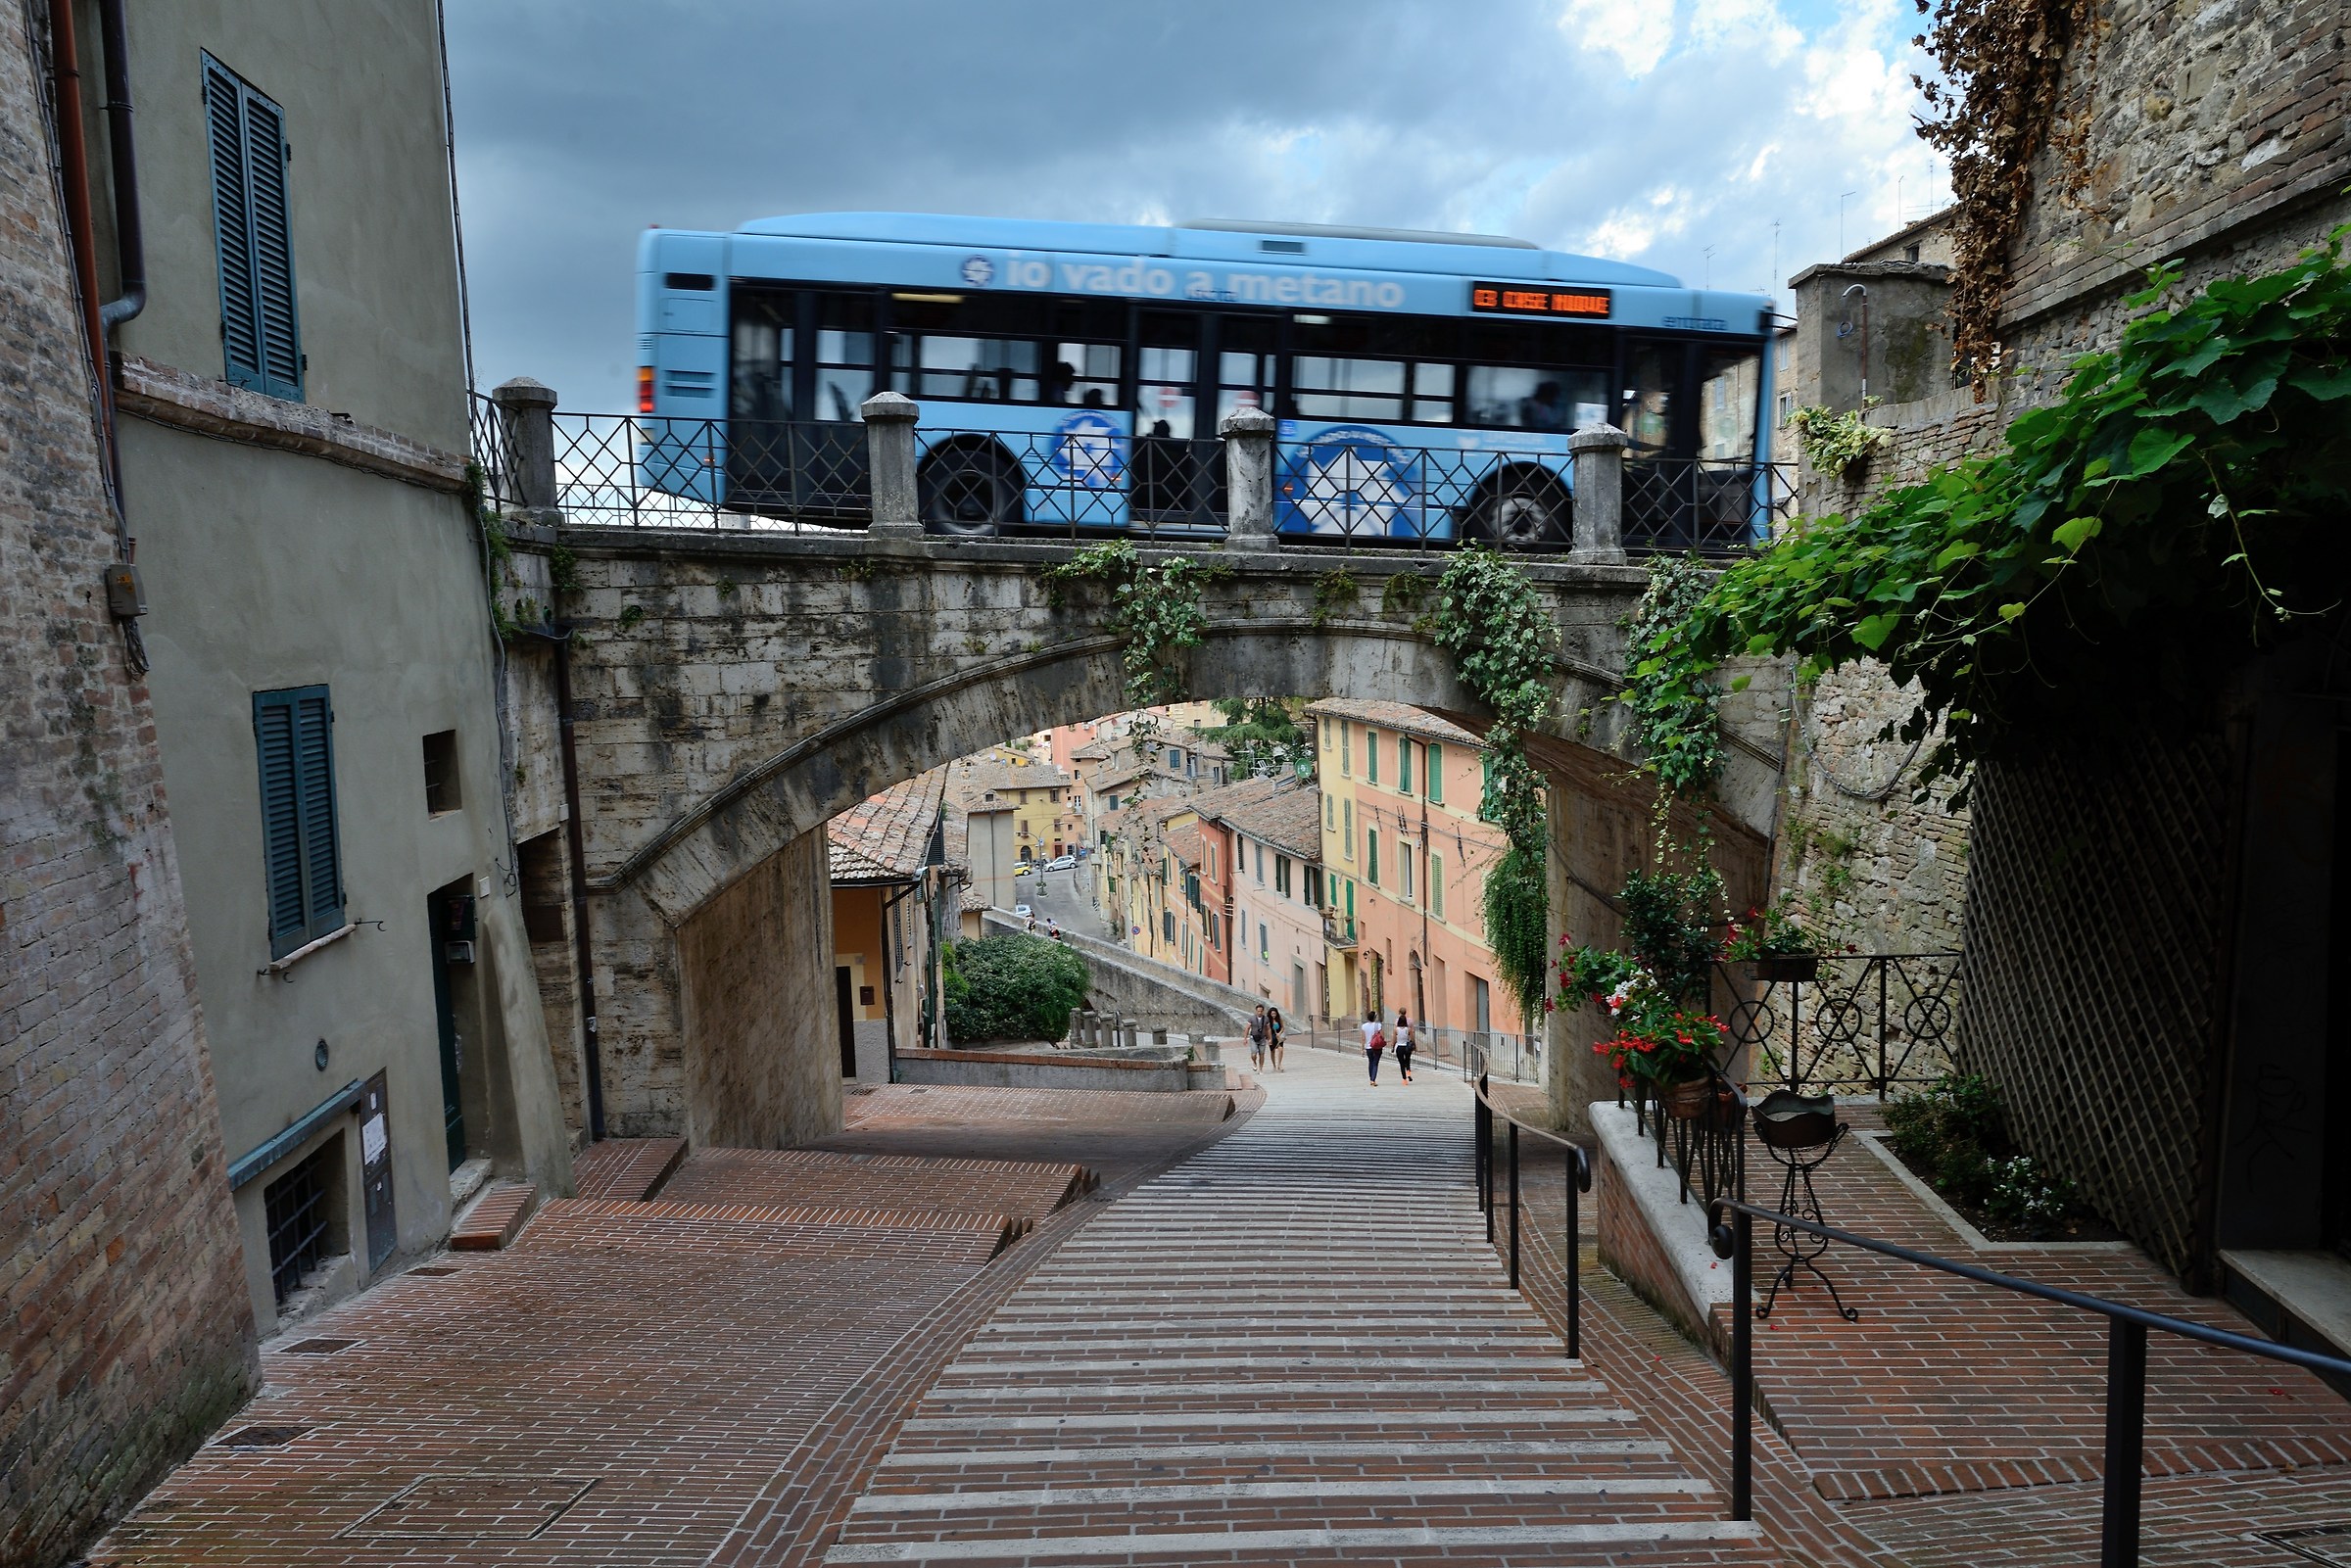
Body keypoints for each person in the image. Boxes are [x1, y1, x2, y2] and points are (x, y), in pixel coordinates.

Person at [1361, 1011, 1385, 1085]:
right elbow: (1382, 1036)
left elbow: (1363, 1038)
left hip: (1368, 1047)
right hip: (1376, 1046)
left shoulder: (1364, 1026)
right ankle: (1373, 1079)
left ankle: (1371, 1078)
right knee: (1375, 1063)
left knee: (1370, 1062)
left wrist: (1362, 1048)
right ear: (1375, 1018)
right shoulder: (1378, 1025)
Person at [1393, 1009, 1415, 1083]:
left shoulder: (1396, 1030)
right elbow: (1412, 1039)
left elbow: (1394, 1039)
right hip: (1407, 1046)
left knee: (1401, 1063)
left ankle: (1404, 1079)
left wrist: (1393, 1047)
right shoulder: (1408, 1029)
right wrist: (1414, 1046)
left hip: (1399, 1047)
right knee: (1407, 1061)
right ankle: (1408, 1073)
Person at [1247, 1005, 1269, 1071]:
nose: (1260, 1013)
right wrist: (1245, 1038)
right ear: (1256, 1011)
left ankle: (1261, 1069)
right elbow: (1247, 1028)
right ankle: (1254, 1062)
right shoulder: (1251, 1018)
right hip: (1253, 1038)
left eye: (1261, 1011)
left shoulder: (1266, 1019)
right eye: (1258, 1011)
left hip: (1262, 1038)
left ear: (1263, 1011)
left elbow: (1268, 1029)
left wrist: (1269, 1038)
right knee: (1253, 1054)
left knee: (1262, 1054)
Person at [1266, 1005, 1286, 1072]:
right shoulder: (1268, 1021)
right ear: (1270, 1014)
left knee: (1281, 1049)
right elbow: (1266, 1029)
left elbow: (1282, 1027)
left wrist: (1279, 1033)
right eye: (1272, 1014)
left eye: (1274, 1013)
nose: (1273, 1015)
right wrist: (1268, 1038)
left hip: (1279, 1036)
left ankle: (1279, 1064)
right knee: (1272, 1051)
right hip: (1272, 1037)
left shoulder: (1279, 1020)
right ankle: (1274, 1065)